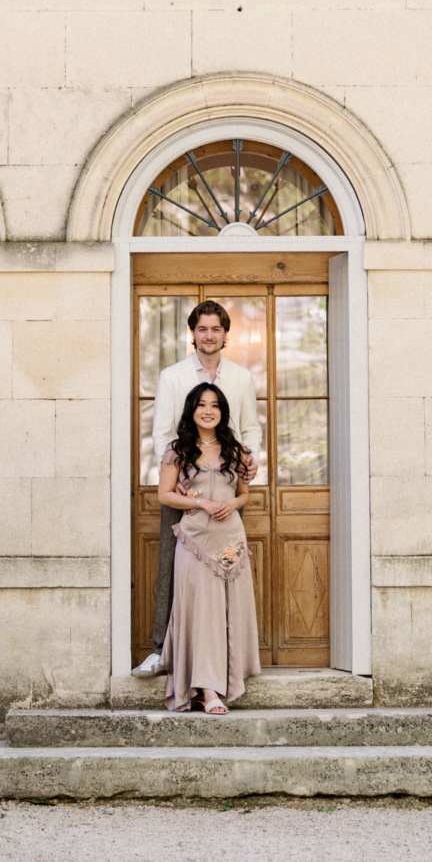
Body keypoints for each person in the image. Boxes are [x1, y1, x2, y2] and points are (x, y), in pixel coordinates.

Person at [132, 300, 261, 678]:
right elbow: (161, 433)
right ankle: (161, 651)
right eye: (202, 329)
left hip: (224, 487)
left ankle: (224, 658)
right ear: (193, 333)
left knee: (225, 574)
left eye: (216, 329)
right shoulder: (173, 376)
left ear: (225, 334)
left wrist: (249, 462)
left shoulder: (240, 377)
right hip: (183, 489)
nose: (209, 336)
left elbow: (249, 428)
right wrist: (183, 484)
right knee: (172, 568)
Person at [157, 382, 261, 712]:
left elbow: (244, 493)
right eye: (201, 404)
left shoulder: (238, 451)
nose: (208, 410)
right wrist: (201, 502)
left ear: (222, 412)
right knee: (202, 615)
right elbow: (164, 494)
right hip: (194, 543)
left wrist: (234, 503)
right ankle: (207, 689)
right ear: (191, 410)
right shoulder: (177, 450)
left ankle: (228, 680)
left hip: (231, 540)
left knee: (228, 610)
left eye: (215, 405)